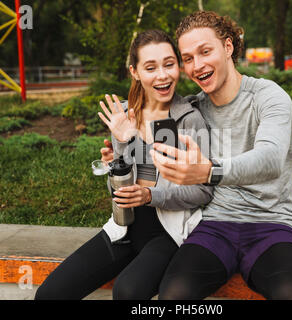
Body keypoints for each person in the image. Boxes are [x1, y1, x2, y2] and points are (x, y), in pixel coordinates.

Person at [148, 11, 292, 300]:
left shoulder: (269, 96)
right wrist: (123, 144)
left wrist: (208, 171)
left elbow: (270, 159)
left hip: (271, 224)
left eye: (205, 52)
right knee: (173, 296)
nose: (197, 65)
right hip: (213, 227)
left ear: (228, 47)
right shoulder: (193, 111)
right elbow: (147, 116)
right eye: (188, 58)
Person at [34, 29, 212, 300]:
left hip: (166, 233)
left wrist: (148, 191)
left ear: (178, 65)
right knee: (51, 294)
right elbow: (117, 190)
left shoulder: (187, 119)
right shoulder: (125, 114)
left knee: (127, 292)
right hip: (123, 226)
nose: (162, 75)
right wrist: (114, 169)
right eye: (150, 67)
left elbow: (202, 191)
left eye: (169, 64)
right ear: (135, 72)